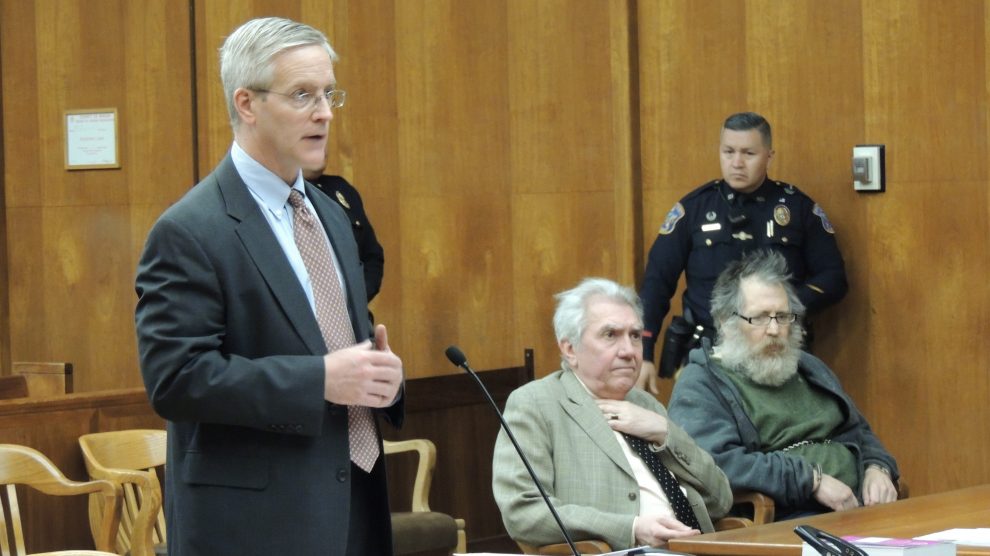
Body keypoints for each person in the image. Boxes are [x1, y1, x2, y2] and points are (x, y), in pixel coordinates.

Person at [134, 17, 404, 555]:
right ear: (247, 104)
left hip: (354, 508)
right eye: (302, 94)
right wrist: (319, 379)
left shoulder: (330, 215)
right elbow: (176, 379)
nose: (324, 113)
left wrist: (381, 379)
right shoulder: (190, 230)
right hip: (255, 526)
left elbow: (334, 347)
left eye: (328, 93)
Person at [492, 278, 732, 550]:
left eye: (635, 336)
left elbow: (721, 500)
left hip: (698, 547)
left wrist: (666, 433)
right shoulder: (536, 404)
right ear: (570, 349)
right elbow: (522, 511)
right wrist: (631, 529)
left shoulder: (646, 404)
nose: (629, 351)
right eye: (610, 335)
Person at [667, 250, 898, 521]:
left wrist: (878, 467)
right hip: (790, 520)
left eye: (783, 316)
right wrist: (811, 481)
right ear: (725, 322)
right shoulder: (702, 382)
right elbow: (713, 464)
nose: (775, 330)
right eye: (760, 317)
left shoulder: (809, 367)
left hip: (863, 511)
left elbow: (859, 431)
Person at [638, 112, 847, 390]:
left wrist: (779, 309)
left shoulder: (796, 209)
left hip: (777, 353)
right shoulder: (695, 209)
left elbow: (833, 279)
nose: (737, 163)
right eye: (729, 151)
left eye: (748, 153)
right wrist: (643, 352)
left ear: (769, 156)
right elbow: (656, 284)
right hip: (709, 352)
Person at [303, 158, 385, 302]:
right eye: (310, 138)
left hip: (351, 315)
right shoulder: (279, 198)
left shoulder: (340, 188)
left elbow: (371, 256)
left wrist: (354, 301)